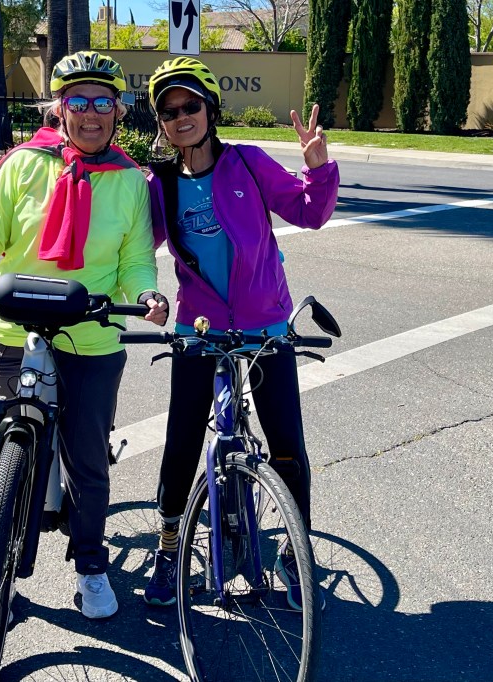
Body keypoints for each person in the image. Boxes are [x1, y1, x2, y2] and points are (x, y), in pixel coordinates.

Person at [0, 50, 169, 620]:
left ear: (119, 110)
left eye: (103, 101)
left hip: (91, 335)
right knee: (7, 446)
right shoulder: (23, 163)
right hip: (14, 328)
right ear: (59, 108)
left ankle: (91, 566)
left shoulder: (130, 180)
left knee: (87, 460)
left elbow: (135, 260)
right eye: (78, 101)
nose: (91, 113)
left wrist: (147, 294)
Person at [142, 57, 339, 610]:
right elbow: (133, 249)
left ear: (210, 110)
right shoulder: (161, 184)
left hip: (265, 322)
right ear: (161, 123)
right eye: (169, 111)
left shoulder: (247, 163)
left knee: (286, 445)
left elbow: (309, 213)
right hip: (199, 326)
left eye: (190, 106)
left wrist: (318, 169)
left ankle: (296, 554)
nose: (181, 117)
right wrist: (139, 293)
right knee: (182, 440)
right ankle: (169, 546)